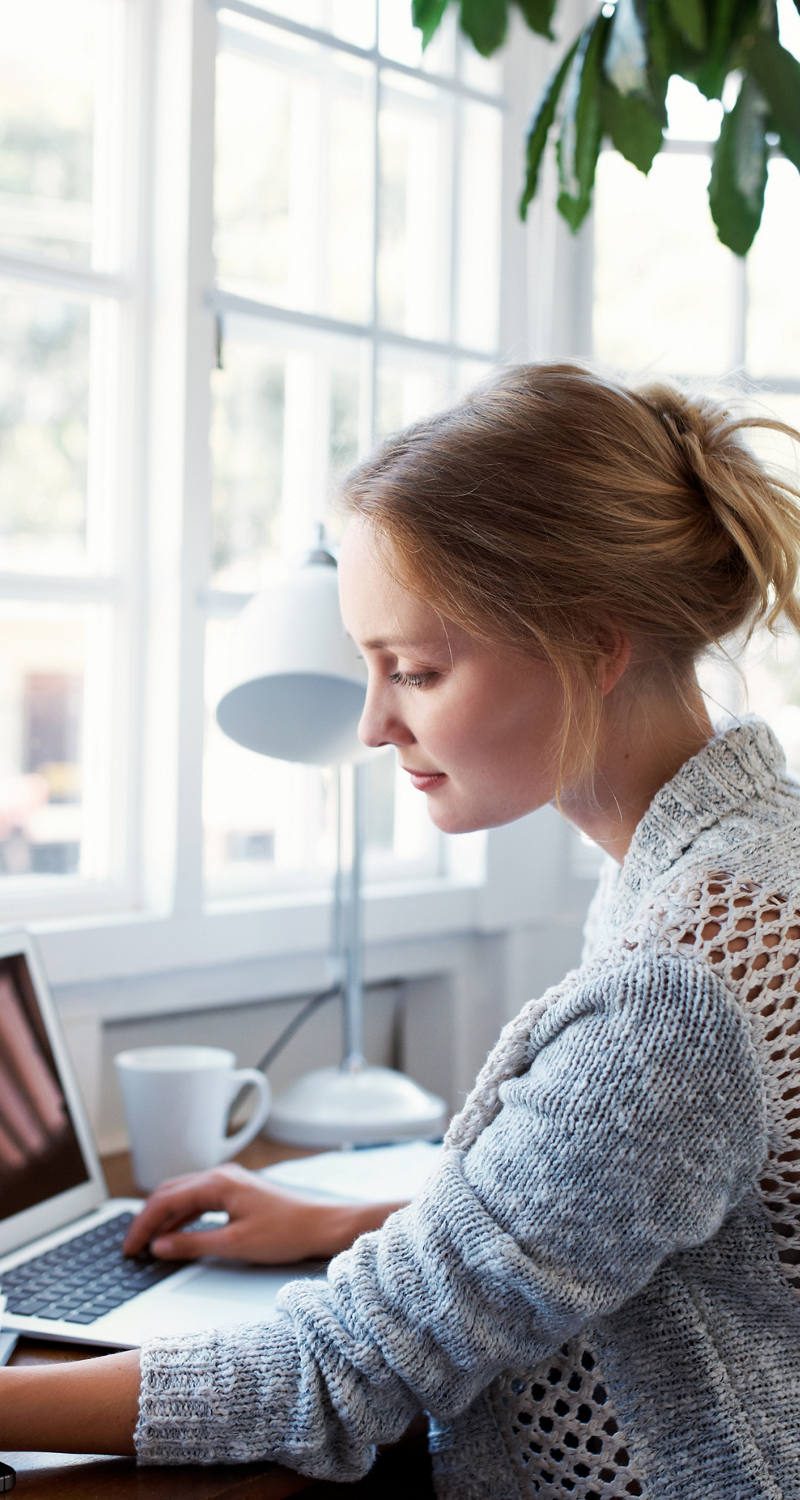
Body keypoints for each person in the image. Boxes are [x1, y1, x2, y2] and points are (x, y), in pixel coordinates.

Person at [2, 360, 800, 1499]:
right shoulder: (739, 855)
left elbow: (330, 1377)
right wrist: (358, 1224)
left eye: (416, 670)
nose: (375, 724)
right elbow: (640, 1213)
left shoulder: (678, 986)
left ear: (593, 642)